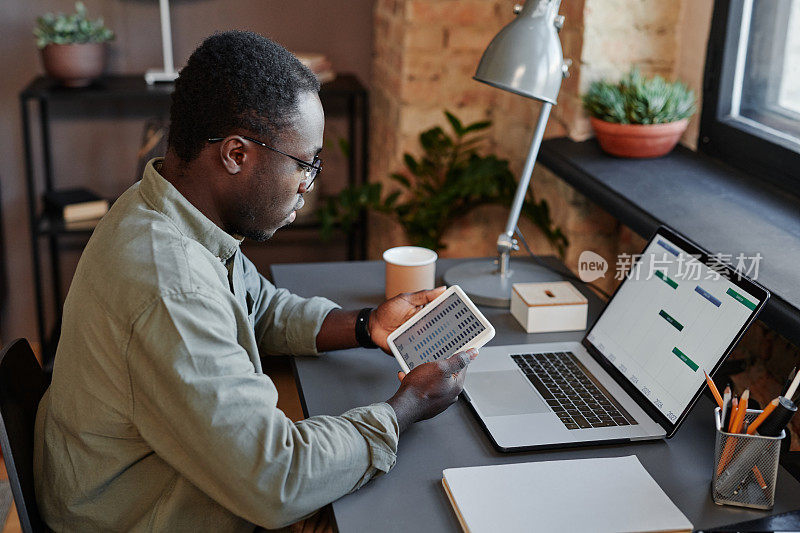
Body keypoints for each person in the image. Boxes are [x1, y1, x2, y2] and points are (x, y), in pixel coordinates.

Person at [33, 31, 477, 532]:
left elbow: (259, 308)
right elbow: (278, 477)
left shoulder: (166, 207)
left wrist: (366, 324)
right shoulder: (170, 286)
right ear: (236, 155)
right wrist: (408, 406)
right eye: (303, 163)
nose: (308, 185)